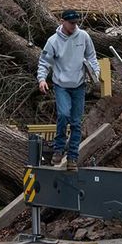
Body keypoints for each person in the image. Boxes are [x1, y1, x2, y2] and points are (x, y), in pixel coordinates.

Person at [37, 9, 100, 170]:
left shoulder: (84, 36)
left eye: (76, 23)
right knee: (64, 115)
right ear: (62, 21)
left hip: (79, 85)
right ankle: (58, 149)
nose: (74, 26)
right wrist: (42, 79)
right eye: (71, 23)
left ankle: (72, 157)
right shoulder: (53, 41)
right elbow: (44, 62)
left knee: (76, 123)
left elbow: (92, 56)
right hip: (61, 85)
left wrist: (95, 73)